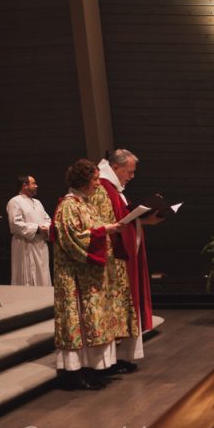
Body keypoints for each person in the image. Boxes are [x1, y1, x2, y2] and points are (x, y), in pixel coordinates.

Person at [53, 159, 135, 390]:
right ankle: (74, 372)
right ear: (82, 181)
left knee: (91, 322)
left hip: (90, 275)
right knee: (78, 321)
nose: (98, 184)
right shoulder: (69, 206)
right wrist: (105, 230)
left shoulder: (85, 203)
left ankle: (90, 368)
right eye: (95, 180)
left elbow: (94, 227)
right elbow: (73, 238)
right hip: (76, 277)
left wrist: (110, 228)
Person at [91, 148, 162, 372]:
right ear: (115, 167)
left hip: (121, 257)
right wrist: (138, 221)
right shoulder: (103, 188)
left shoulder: (114, 189)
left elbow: (123, 218)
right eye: (129, 172)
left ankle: (113, 358)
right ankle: (108, 361)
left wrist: (144, 221)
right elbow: (107, 223)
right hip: (113, 260)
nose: (131, 176)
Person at [6, 175, 52, 286]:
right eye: (34, 183)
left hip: (40, 245)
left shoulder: (37, 202)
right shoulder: (14, 201)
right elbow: (15, 224)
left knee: (43, 275)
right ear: (24, 186)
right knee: (27, 276)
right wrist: (37, 229)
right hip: (25, 244)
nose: (37, 186)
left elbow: (48, 219)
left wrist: (46, 228)